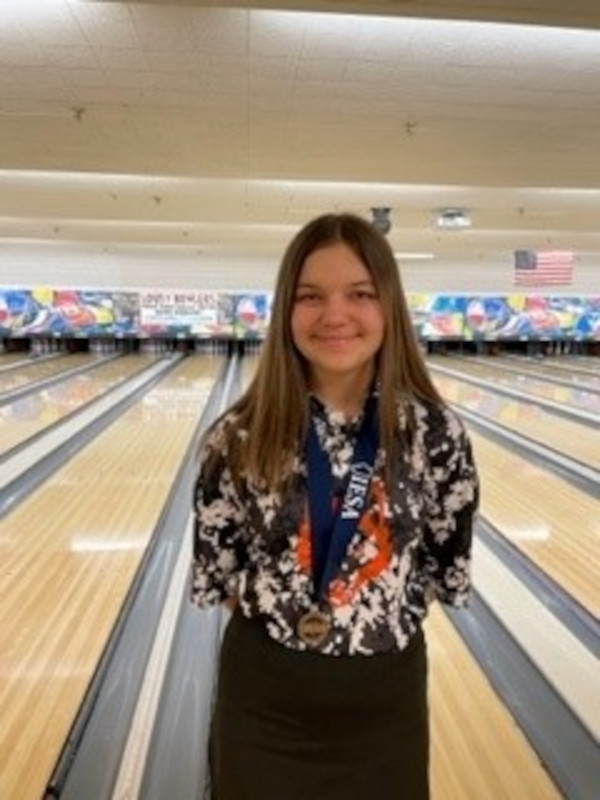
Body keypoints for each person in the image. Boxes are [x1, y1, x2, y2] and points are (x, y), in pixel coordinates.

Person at [191, 212, 479, 800]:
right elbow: (219, 575)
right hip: (264, 699)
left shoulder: (436, 434)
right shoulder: (237, 437)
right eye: (311, 296)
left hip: (385, 702)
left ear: (388, 307)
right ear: (285, 311)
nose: (335, 315)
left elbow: (446, 568)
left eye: (360, 294)